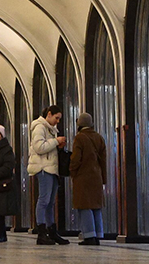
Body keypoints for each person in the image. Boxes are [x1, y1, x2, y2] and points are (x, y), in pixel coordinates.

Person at [29, 105, 69, 245]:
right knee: (44, 200)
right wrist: (55, 141)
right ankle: (41, 232)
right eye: (56, 118)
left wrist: (57, 146)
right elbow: (39, 147)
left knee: (51, 202)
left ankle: (51, 231)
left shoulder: (50, 129)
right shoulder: (40, 127)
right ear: (49, 114)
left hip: (51, 168)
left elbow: (47, 147)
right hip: (43, 168)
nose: (58, 121)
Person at [69, 112, 107, 246]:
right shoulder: (99, 138)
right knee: (96, 206)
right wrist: (103, 178)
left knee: (84, 206)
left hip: (83, 177)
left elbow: (75, 159)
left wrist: (72, 172)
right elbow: (103, 161)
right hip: (96, 176)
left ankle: (89, 236)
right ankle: (98, 234)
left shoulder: (79, 138)